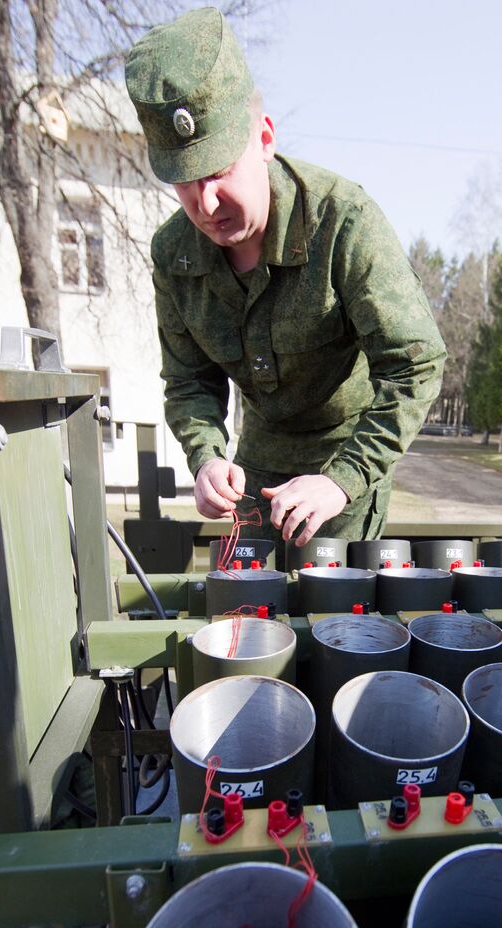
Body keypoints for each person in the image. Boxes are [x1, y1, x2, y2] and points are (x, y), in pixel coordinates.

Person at [125, 7, 446, 557]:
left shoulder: (342, 223)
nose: (204, 203)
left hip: (342, 465)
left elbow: (415, 363)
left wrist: (342, 480)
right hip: (254, 473)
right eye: (184, 182)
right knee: (250, 621)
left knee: (334, 631)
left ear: (264, 137)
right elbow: (189, 382)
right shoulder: (173, 254)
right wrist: (205, 457)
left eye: (218, 171)